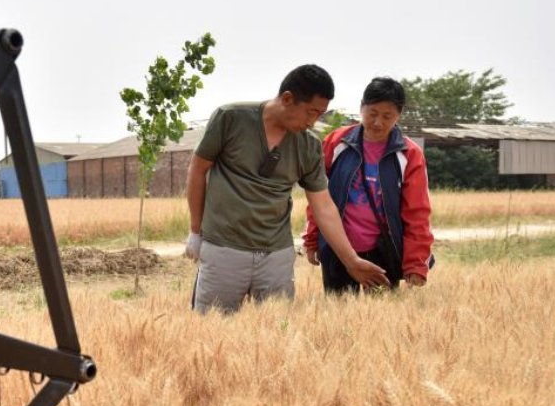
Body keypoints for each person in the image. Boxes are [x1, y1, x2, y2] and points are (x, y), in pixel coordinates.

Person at [185, 64, 388, 313]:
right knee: (212, 332)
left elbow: (323, 206)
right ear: (288, 98)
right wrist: (196, 231)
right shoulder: (230, 118)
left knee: (277, 335)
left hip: (276, 256)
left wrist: (351, 260)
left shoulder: (309, 146)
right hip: (224, 249)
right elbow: (198, 170)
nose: (313, 122)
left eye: (320, 115)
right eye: (310, 112)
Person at [302, 77, 433, 293]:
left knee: (381, 321)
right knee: (337, 317)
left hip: (384, 252)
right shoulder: (336, 142)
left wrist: (416, 262)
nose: (378, 122)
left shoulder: (409, 155)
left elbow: (418, 212)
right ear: (361, 107)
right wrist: (313, 238)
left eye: (387, 116)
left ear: (399, 115)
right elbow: (318, 197)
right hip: (339, 250)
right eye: (372, 114)